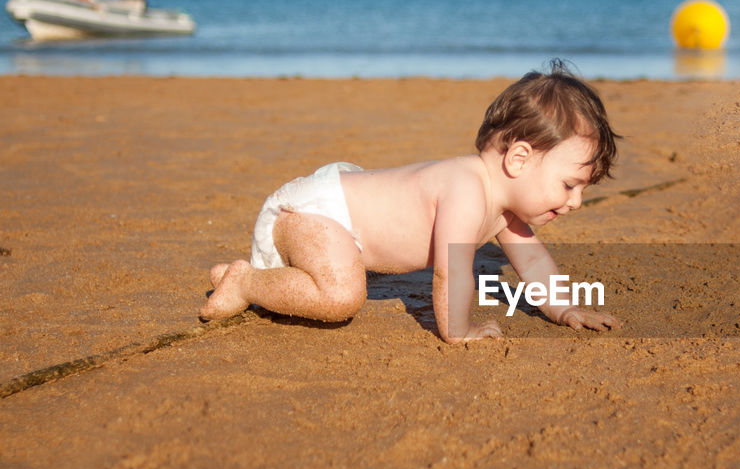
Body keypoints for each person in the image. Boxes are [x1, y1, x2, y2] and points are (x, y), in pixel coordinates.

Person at [199, 61, 620, 343]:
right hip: (318, 215)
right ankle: (246, 281)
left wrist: (565, 310)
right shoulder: (466, 189)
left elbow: (533, 264)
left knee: (337, 274)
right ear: (519, 158)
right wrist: (458, 330)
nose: (576, 202)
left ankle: (264, 275)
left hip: (341, 229)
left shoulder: (506, 211)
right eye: (569, 185)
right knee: (342, 296)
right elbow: (450, 272)